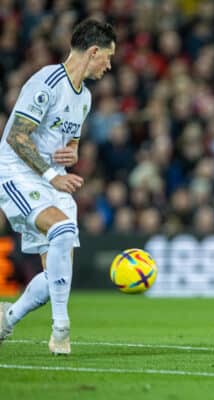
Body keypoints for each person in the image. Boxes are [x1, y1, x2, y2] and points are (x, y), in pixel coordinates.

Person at [0, 19, 116, 355]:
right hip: (17, 173)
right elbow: (16, 136)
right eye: (107, 57)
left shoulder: (86, 98)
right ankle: (61, 329)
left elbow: (72, 137)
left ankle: (8, 317)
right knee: (63, 230)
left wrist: (74, 151)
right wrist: (53, 175)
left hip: (52, 176)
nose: (109, 65)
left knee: (57, 271)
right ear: (93, 52)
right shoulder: (46, 81)